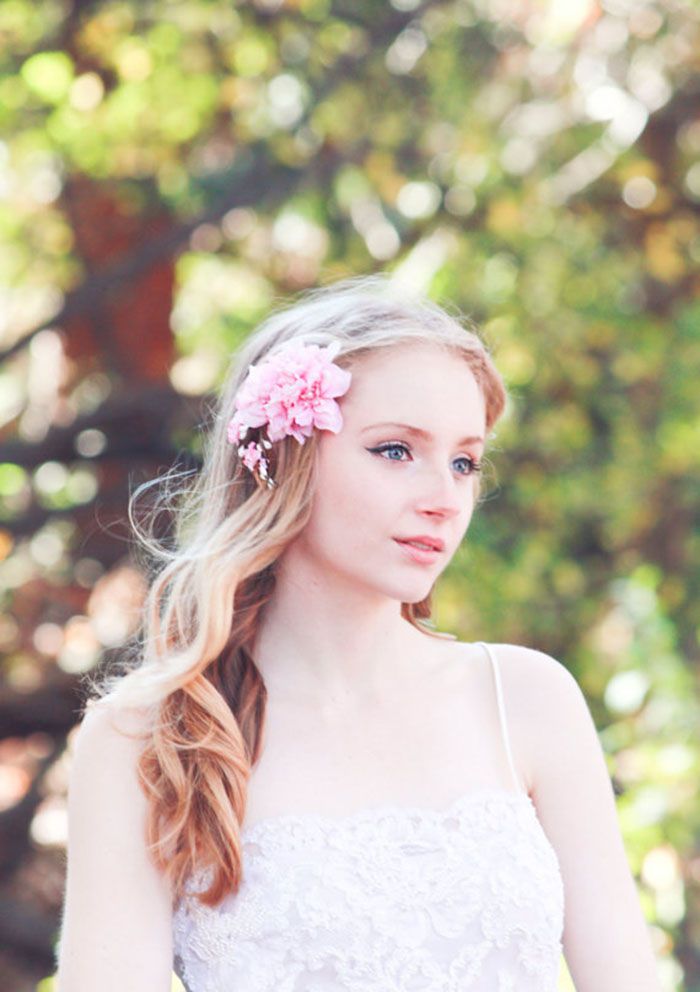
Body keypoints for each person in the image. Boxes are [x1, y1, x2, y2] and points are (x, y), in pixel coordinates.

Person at [56, 274, 661, 991]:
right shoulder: (147, 739)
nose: (445, 499)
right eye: (396, 450)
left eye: (464, 462)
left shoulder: (526, 699)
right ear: (285, 458)